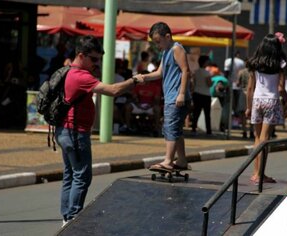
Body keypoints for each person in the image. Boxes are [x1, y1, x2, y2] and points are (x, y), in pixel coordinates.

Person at [55, 35, 142, 227]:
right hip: (75, 133)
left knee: (70, 174)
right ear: (81, 55)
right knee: (83, 176)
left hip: (64, 130)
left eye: (98, 59)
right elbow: (112, 90)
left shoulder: (68, 71)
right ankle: (72, 218)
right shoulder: (81, 76)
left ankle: (66, 216)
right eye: (93, 59)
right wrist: (134, 80)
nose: (96, 63)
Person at [134, 22, 191, 170]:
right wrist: (144, 77)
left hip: (176, 97)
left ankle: (168, 160)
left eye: (158, 41)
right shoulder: (166, 52)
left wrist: (182, 94)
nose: (157, 45)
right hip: (171, 96)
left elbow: (186, 71)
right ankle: (182, 160)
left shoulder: (176, 49)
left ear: (168, 36)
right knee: (176, 129)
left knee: (170, 128)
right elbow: (160, 73)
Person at [245, 32, 287, 184]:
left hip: (257, 101)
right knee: (265, 139)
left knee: (257, 139)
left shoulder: (254, 62)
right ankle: (260, 175)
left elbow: (250, 88)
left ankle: (255, 173)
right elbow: (280, 88)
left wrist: (248, 107)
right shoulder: (280, 63)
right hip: (271, 102)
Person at [191, 55, 212, 135]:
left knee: (196, 112)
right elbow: (209, 84)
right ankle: (208, 130)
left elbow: (193, 83)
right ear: (204, 63)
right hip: (206, 94)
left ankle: (193, 128)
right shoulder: (206, 72)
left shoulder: (196, 71)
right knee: (207, 114)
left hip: (197, 93)